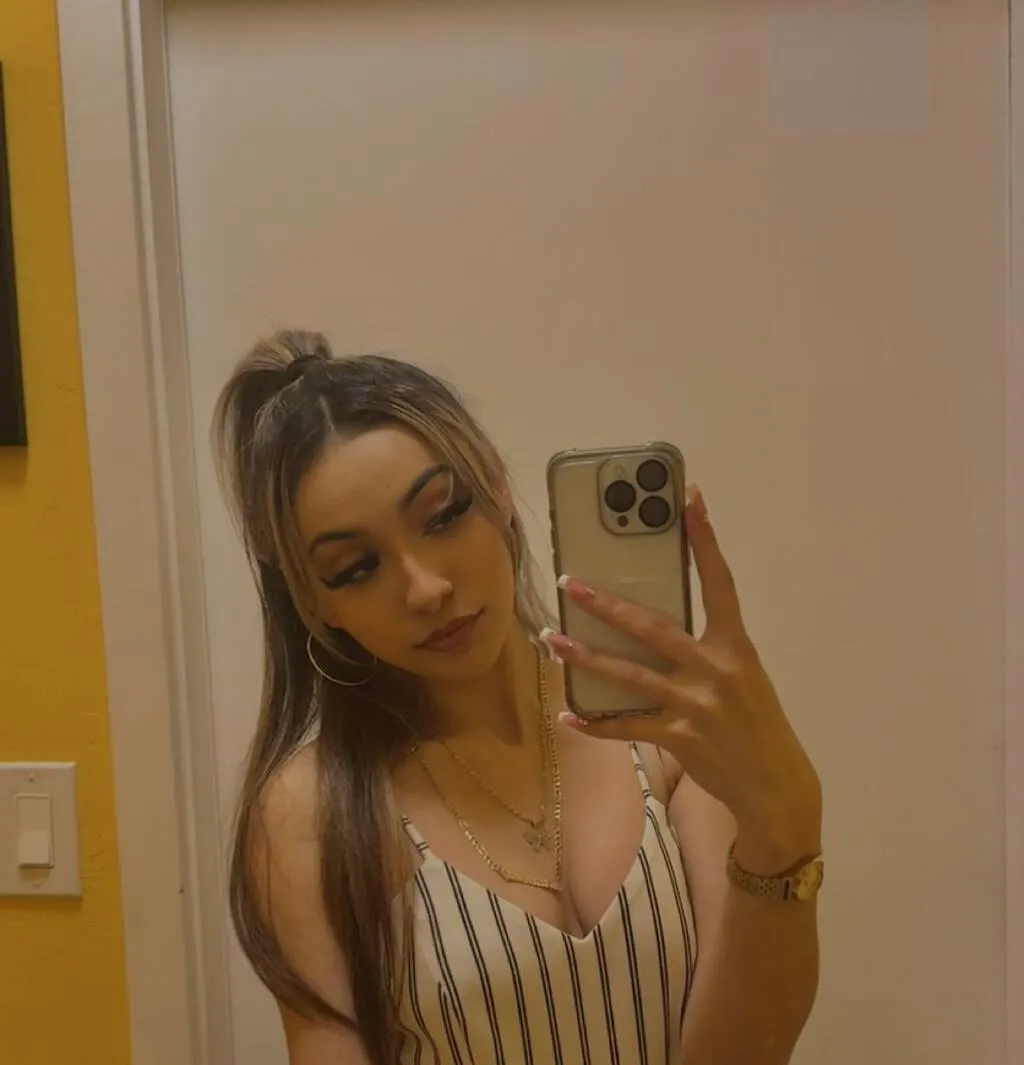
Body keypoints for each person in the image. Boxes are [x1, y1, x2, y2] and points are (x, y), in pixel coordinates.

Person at [212, 329, 824, 1065]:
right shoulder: (313, 816)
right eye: (356, 567)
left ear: (496, 485)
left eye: (442, 515)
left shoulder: (661, 725)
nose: (425, 587)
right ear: (315, 602)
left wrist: (786, 818)